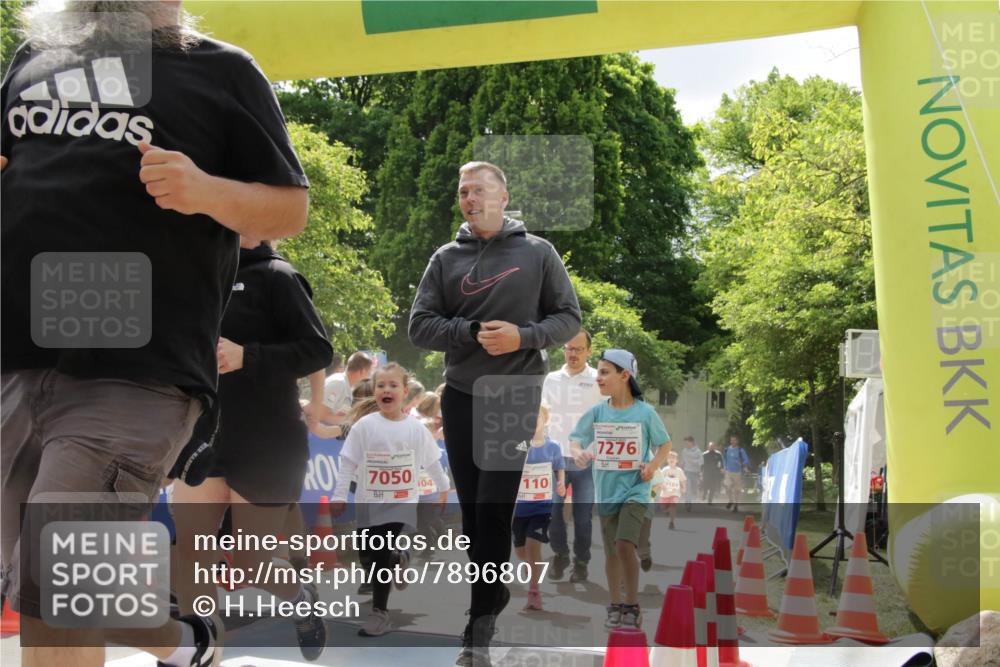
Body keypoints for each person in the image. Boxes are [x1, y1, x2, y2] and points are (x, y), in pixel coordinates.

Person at [1, 2, 309, 666]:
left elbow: (289, 208)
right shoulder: (33, 57)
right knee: (42, 575)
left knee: (59, 583)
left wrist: (204, 191)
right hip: (14, 355)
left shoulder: (223, 71)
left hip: (134, 368)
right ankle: (181, 641)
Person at [409, 161, 580, 666]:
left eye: (479, 190)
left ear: (503, 198)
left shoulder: (538, 252)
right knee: (472, 518)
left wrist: (522, 337)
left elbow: (569, 318)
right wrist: (468, 332)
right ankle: (492, 589)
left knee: (493, 510)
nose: (470, 198)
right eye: (463, 191)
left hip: (515, 395)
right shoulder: (446, 258)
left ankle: (478, 626)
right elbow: (420, 325)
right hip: (461, 393)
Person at [172, 237, 332, 661]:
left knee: (248, 565)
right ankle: (199, 652)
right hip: (204, 436)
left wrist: (249, 356)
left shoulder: (278, 276)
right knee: (191, 553)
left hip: (267, 441)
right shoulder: (196, 274)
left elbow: (318, 350)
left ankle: (301, 598)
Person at [329, 363, 451, 638]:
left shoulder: (416, 429)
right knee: (367, 555)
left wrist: (444, 488)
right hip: (369, 504)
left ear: (405, 392)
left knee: (381, 552)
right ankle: (400, 559)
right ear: (374, 391)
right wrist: (339, 495)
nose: (387, 389)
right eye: (381, 385)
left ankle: (379, 612)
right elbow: (347, 463)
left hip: (402, 504)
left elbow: (433, 463)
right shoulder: (364, 426)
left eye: (393, 385)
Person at [570, 349, 672, 630]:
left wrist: (652, 466)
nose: (598, 378)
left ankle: (632, 605)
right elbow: (576, 439)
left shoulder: (645, 413)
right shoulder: (597, 412)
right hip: (606, 492)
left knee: (625, 545)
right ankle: (614, 604)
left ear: (625, 375)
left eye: (604, 372)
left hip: (636, 490)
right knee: (612, 553)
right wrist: (579, 453)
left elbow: (665, 445)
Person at [543, 329, 603, 583]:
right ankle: (560, 554)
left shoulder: (598, 380)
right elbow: (542, 416)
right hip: (556, 459)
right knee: (553, 512)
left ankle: (581, 562)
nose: (573, 354)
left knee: (582, 516)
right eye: (569, 348)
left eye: (579, 349)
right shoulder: (551, 379)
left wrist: (592, 450)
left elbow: (605, 419)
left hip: (585, 461)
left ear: (589, 351)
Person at [512, 404, 565, 611]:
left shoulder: (553, 447)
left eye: (537, 417)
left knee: (533, 546)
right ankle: (532, 565)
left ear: (545, 420)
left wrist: (561, 482)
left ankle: (534, 592)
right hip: (520, 508)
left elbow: (559, 467)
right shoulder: (521, 446)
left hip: (542, 507)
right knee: (521, 551)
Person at [320, 351, 374, 426]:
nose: (369, 377)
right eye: (369, 373)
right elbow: (322, 416)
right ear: (362, 371)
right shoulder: (337, 383)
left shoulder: (346, 385)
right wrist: (354, 421)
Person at [637, 466, 664, 573]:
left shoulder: (652, 461)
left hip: (645, 507)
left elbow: (658, 484)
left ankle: (644, 556)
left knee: (642, 536)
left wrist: (650, 496)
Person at [657, 451, 687, 530]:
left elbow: (683, 480)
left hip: (675, 493)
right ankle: (667, 511)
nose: (671, 459)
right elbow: (660, 479)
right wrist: (661, 485)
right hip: (665, 493)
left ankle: (671, 522)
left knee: (673, 506)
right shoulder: (665, 470)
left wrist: (684, 488)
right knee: (663, 508)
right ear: (667, 460)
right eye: (670, 458)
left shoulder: (679, 470)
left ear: (677, 460)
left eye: (673, 458)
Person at [724, 435, 751, 512]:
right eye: (731, 440)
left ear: (737, 441)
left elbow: (746, 459)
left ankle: (736, 505)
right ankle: (730, 500)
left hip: (737, 472)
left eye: (734, 440)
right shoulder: (727, 449)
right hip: (728, 471)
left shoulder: (740, 450)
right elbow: (724, 459)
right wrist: (724, 467)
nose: (732, 441)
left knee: (736, 490)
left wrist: (744, 465)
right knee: (727, 486)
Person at [679, 436, 703, 511]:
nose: (686, 444)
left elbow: (701, 462)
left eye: (687, 442)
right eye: (685, 443)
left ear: (691, 442)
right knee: (688, 488)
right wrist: (680, 468)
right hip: (687, 472)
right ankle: (688, 502)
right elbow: (683, 461)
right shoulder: (684, 451)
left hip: (695, 472)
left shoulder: (698, 451)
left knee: (694, 489)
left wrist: (693, 462)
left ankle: (691, 501)